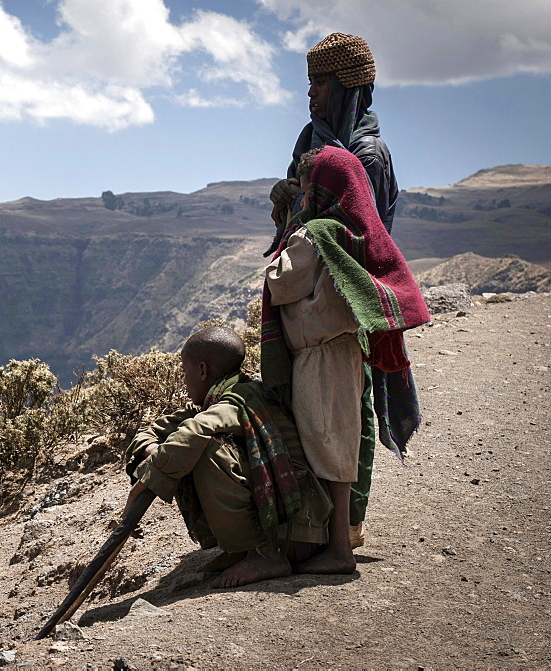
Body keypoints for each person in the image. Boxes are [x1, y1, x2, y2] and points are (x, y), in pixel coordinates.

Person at [263, 145, 430, 573]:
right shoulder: (349, 232)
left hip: (320, 358)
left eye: (304, 190)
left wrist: (287, 226)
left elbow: (280, 283)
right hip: (340, 353)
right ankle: (330, 541)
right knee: (336, 443)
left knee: (327, 447)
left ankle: (337, 548)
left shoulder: (315, 233)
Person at [123, 325, 331, 588]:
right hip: (291, 529)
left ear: (202, 370)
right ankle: (240, 551)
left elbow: (194, 431)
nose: (184, 379)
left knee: (205, 450)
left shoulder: (239, 398)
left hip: (299, 531)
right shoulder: (217, 398)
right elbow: (151, 430)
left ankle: (264, 556)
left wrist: (139, 490)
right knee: (178, 449)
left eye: (185, 371)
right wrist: (155, 450)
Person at [269, 32, 398, 236]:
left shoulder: (367, 152)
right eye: (310, 82)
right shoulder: (310, 139)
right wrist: (282, 192)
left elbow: (356, 233)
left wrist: (297, 197)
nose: (311, 92)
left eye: (320, 82)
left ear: (344, 88)